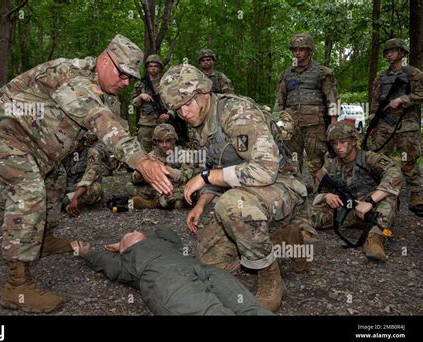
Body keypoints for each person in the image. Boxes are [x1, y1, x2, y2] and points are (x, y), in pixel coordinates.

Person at [0, 34, 174, 313]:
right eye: (122, 73)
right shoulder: (70, 75)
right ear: (104, 59)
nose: (126, 82)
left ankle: (42, 239)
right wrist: (141, 161)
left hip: (34, 145)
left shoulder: (102, 89)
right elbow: (99, 120)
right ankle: (16, 285)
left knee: (54, 184)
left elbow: (114, 126)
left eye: (130, 78)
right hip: (1, 133)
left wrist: (147, 156)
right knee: (29, 190)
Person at [159, 64, 314, 312]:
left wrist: (207, 177)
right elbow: (218, 168)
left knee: (231, 205)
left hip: (281, 185)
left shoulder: (238, 113)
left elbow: (264, 169)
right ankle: (282, 240)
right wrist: (201, 203)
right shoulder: (201, 123)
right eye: (178, 108)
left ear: (203, 92)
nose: (184, 112)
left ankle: (270, 278)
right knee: (211, 260)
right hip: (247, 189)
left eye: (187, 102)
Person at [71, 226, 272, 315]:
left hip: (199, 269)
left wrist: (143, 236)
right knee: (210, 312)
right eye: (130, 234)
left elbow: (167, 231)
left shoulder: (164, 243)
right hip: (168, 282)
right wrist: (85, 253)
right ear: (125, 248)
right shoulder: (128, 262)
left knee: (247, 306)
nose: (135, 230)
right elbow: (104, 262)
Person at [310, 121, 403, 261]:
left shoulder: (369, 158)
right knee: (306, 215)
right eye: (334, 144)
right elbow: (319, 190)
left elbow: (395, 175)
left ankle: (375, 240)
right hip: (347, 209)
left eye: (342, 142)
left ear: (353, 141)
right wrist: (326, 195)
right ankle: (300, 236)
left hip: (372, 209)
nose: (338, 147)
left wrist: (370, 201)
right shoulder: (332, 164)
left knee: (390, 198)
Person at [274, 33, 339, 188]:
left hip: (314, 125)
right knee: (292, 160)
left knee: (316, 161)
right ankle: (296, 192)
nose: (297, 52)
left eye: (301, 49)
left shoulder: (322, 72)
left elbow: (332, 98)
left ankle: (321, 196)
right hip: (290, 125)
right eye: (294, 49)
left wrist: (333, 122)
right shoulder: (286, 74)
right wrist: (276, 121)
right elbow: (279, 100)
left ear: (309, 50)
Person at [369, 38, 423, 212]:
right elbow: (376, 100)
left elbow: (421, 94)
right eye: (387, 52)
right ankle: (378, 192)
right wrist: (373, 121)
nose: (389, 54)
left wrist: (402, 99)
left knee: (409, 160)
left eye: (393, 51)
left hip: (407, 124)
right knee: (378, 158)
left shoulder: (413, 74)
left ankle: (416, 194)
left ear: (402, 53)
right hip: (385, 125)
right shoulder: (381, 77)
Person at [126, 123, 200, 209]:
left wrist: (163, 166)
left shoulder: (183, 155)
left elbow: (184, 178)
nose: (164, 145)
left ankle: (154, 203)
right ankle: (168, 201)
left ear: (174, 140)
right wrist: (143, 167)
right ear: (156, 142)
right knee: (129, 186)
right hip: (158, 188)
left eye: (168, 141)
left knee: (191, 190)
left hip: (176, 187)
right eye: (160, 141)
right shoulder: (152, 155)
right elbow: (135, 180)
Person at [131, 54, 175, 152]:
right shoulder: (140, 84)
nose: (153, 68)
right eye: (150, 66)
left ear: (160, 68)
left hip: (163, 123)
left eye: (156, 66)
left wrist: (169, 115)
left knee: (164, 151)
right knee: (143, 151)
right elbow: (133, 103)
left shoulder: (167, 83)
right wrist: (141, 96)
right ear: (147, 68)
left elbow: (175, 102)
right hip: (145, 123)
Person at [61, 132, 107, 217]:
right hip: (69, 187)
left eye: (78, 141)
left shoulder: (91, 152)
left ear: (83, 141)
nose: (75, 143)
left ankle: (67, 203)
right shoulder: (65, 153)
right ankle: (66, 205)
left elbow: (89, 178)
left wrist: (75, 198)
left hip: (86, 188)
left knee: (96, 189)